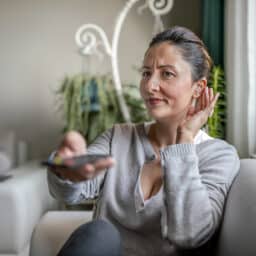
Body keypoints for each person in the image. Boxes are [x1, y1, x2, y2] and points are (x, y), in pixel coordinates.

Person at [47, 26, 240, 256]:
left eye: (167, 73)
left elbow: (189, 234)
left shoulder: (219, 155)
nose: (150, 86)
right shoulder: (118, 138)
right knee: (99, 232)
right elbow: (68, 192)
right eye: (146, 73)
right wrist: (66, 170)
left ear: (198, 88)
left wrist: (184, 141)